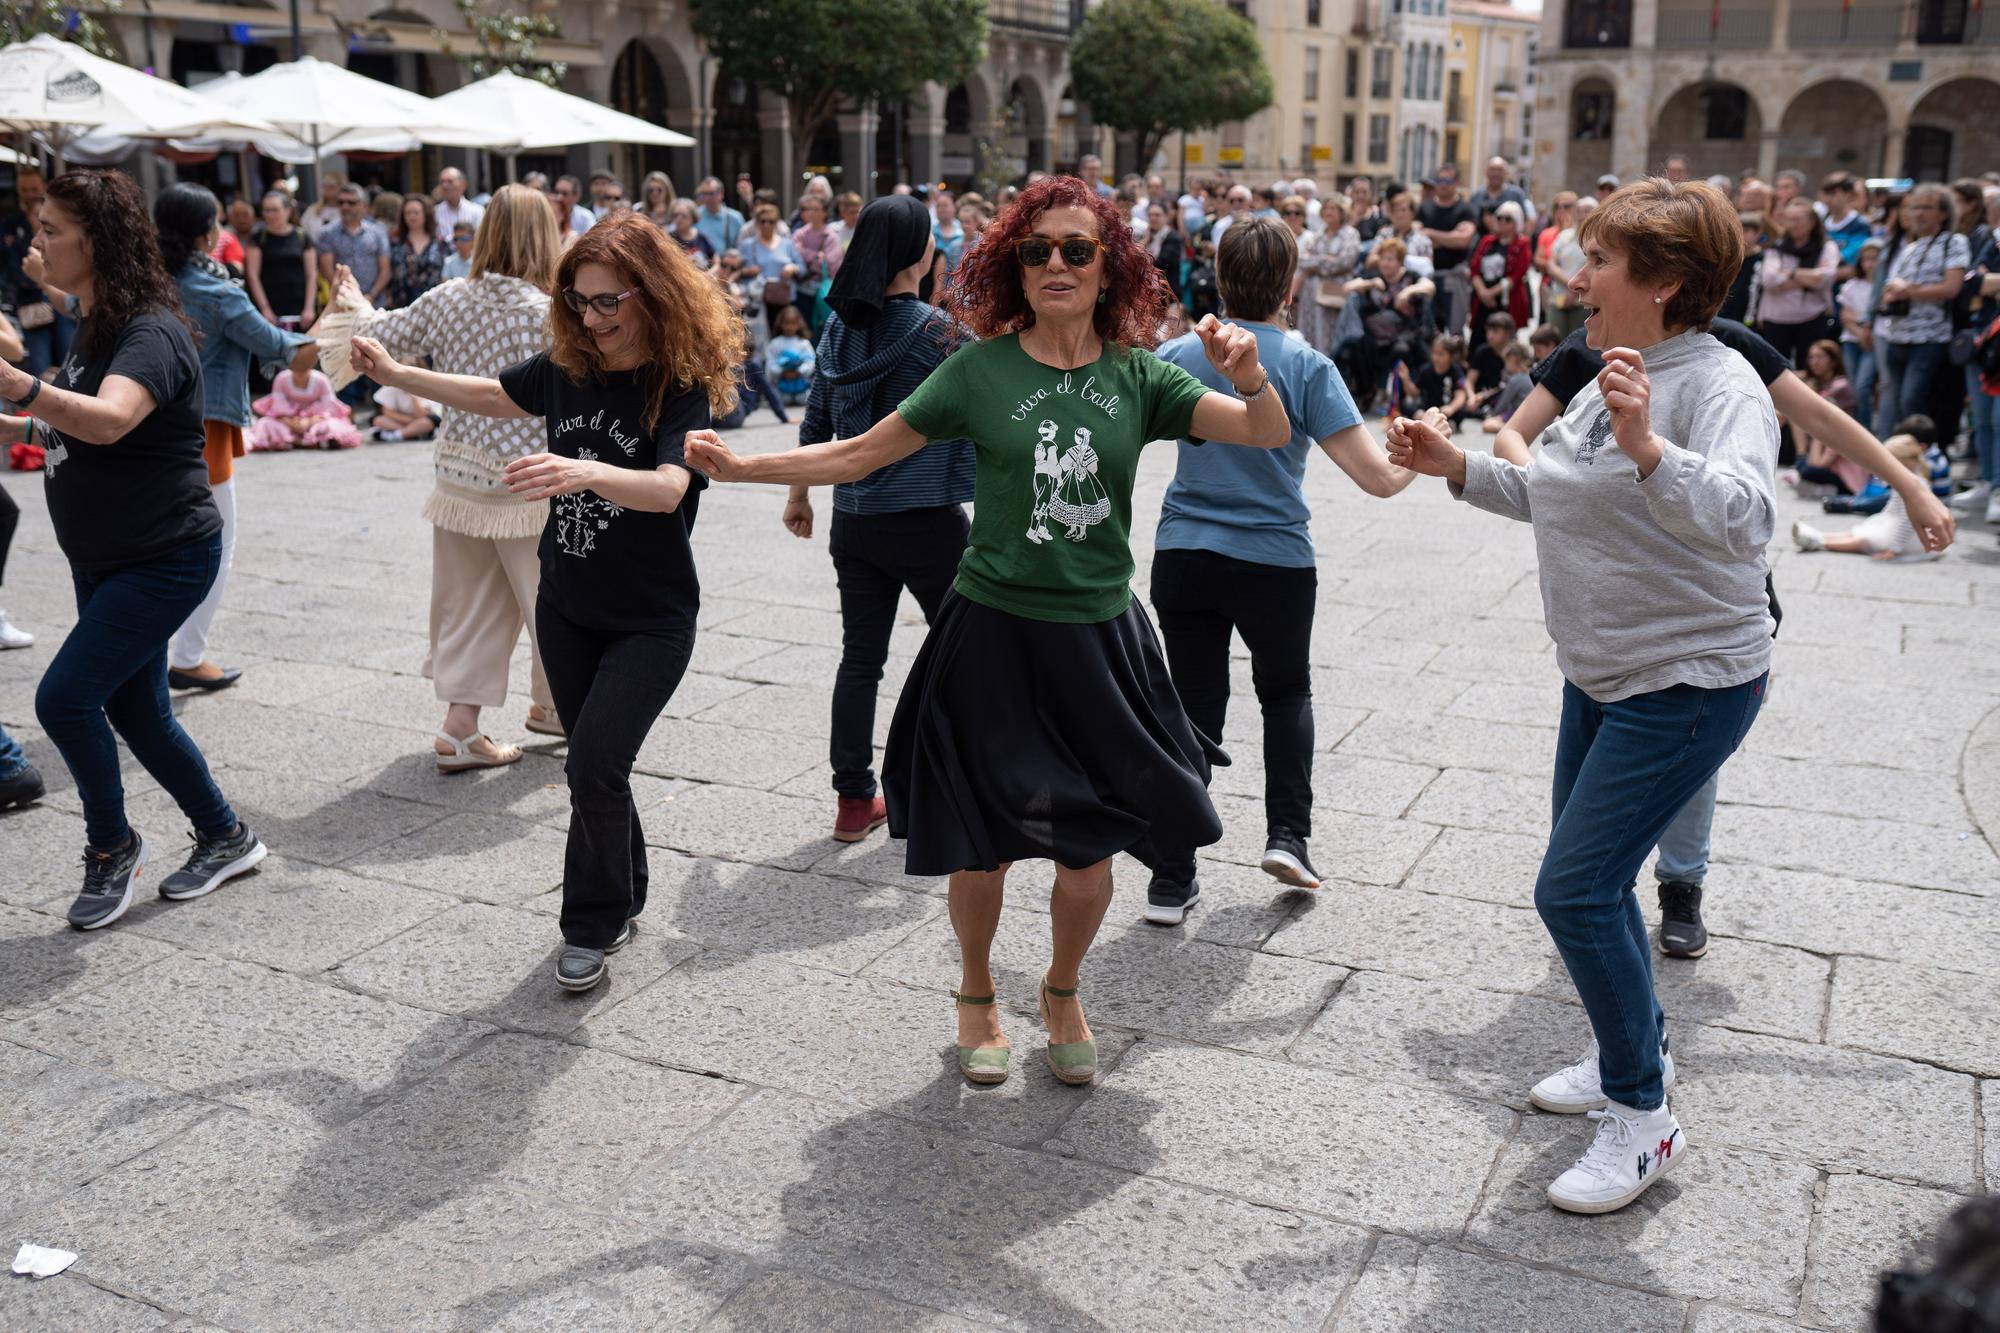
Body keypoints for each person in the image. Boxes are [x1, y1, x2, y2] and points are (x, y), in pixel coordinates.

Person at [683, 175, 1291, 1089]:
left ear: (1109, 266)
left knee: (1089, 855)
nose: (1055, 263)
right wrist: (745, 468)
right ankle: (975, 989)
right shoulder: (975, 366)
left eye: (1076, 249)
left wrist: (1249, 373)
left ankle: (1061, 986)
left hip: (1099, 641)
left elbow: (1262, 431)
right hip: (993, 636)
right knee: (984, 840)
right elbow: (861, 452)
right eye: (1037, 249)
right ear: (1014, 264)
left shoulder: (1138, 375)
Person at [1388, 177, 1776, 1215]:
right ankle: (1628, 1042)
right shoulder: (1616, 362)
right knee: (1592, 887)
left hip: (1687, 680)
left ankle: (1642, 1117)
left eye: (1598, 259)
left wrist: (1651, 449)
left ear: (1662, 283)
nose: (1576, 269)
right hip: (1602, 673)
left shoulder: (1716, 383)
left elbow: (1746, 519)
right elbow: (1554, 491)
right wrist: (1455, 466)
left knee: (1570, 887)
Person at [1490, 282, 1955, 969]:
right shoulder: (1590, 343)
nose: (1577, 284)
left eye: (1599, 261)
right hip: (1610, 607)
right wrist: (1569, 496)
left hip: (1697, 606)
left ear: (1660, 278)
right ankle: (1604, 919)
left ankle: (1682, 884)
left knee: (1684, 738)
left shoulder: (1724, 352)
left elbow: (1818, 418)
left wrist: (1911, 485)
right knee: (1595, 806)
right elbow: (1511, 433)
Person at [348, 210, 736, 992]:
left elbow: (667, 491)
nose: (591, 320)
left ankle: (588, 924)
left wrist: (581, 471)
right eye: (579, 303)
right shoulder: (568, 364)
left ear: (651, 295)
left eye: (607, 302)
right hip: (567, 603)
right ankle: (622, 895)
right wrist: (396, 375)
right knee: (602, 767)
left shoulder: (678, 385)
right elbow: (493, 396)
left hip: (652, 618)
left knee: (593, 761)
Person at [0, 170, 268, 930]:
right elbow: (73, 424)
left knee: (63, 698)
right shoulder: (99, 319)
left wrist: (21, 388)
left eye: (51, 228)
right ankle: (227, 834)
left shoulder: (150, 329)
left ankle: (112, 847)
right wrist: (17, 425)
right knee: (141, 712)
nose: (36, 240)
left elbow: (112, 420)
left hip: (164, 555)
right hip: (110, 552)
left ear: (98, 239)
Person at [1144, 216, 1415, 923]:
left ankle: (1172, 875)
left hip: (1186, 552)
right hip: (1274, 559)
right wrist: (1428, 449)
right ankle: (1289, 836)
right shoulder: (1305, 365)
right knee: (1285, 694)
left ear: (1219, 279)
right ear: (1291, 286)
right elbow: (1379, 481)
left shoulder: (1179, 353)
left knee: (1194, 704)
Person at [333, 184, 566, 764]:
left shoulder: (447, 297)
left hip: (458, 479)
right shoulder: (553, 315)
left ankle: (461, 728)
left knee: (468, 604)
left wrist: (356, 307)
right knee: (554, 606)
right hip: (529, 485)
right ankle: (559, 708)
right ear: (546, 238)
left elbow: (377, 339)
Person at [772, 195, 976, 841]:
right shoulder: (939, 333)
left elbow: (815, 425)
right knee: (963, 654)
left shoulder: (837, 331)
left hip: (854, 521)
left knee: (860, 660)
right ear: (920, 251)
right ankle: (946, 785)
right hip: (928, 521)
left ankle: (854, 802)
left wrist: (798, 494)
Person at [154, 182, 318, 693]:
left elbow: (75, 306)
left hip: (136, 418)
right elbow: (283, 348)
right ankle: (188, 654)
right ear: (209, 233)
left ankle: (150, 655)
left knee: (153, 546)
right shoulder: (218, 292)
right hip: (204, 427)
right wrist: (339, 322)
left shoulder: (141, 280)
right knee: (216, 543)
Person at [1873, 184, 1968, 440]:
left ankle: (1920, 455)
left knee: (1912, 400)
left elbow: (1951, 287)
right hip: (1896, 334)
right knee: (1892, 402)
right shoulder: (1910, 247)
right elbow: (1889, 286)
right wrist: (1893, 292)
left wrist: (1909, 291)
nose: (1919, 214)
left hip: (1929, 336)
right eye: (1915, 207)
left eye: (1927, 208)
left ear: (1943, 213)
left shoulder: (1955, 242)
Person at [1792, 427, 1940, 561]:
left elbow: (1907, 522)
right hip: (1895, 525)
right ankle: (1818, 535)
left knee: (1864, 540)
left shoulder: (1917, 485)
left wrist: (1894, 550)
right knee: (1859, 531)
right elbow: (1893, 507)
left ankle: (1819, 541)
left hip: (1911, 539)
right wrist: (1881, 520)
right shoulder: (1906, 480)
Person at [1335, 236, 1435, 408]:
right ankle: (1365, 393)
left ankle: (1399, 400)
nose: (1385, 263)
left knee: (1401, 350)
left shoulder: (1410, 277)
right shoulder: (1374, 277)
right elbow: (1346, 288)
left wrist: (1408, 291)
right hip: (1373, 336)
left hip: (1402, 335)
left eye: (1390, 259)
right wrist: (1369, 284)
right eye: (1382, 258)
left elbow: (1429, 287)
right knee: (1353, 348)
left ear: (1400, 261)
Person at [1757, 199, 1841, 368]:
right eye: (1789, 219)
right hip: (1777, 320)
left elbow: (1825, 277)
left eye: (1798, 220)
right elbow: (1769, 279)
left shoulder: (1826, 247)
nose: (1792, 225)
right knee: (1775, 369)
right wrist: (1807, 279)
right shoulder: (1776, 248)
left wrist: (1791, 273)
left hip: (1812, 318)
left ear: (1812, 221)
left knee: (1809, 368)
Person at [247, 361, 362, 451]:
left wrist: (308, 422)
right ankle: (304, 441)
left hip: (315, 420)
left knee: (331, 425)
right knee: (265, 424)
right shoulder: (282, 378)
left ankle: (298, 440)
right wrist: (291, 422)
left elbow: (328, 407)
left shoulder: (321, 380)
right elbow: (278, 407)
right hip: (288, 421)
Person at [245, 189, 316, 333]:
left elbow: (312, 274)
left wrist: (309, 307)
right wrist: (265, 308)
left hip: (300, 308)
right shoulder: (258, 237)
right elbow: (252, 275)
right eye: (266, 210)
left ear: (288, 211)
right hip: (270, 308)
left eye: (274, 210)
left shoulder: (302, 236)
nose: (270, 215)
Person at [1420, 165, 1478, 336]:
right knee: (1428, 331)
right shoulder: (1425, 208)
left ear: (1456, 182)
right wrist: (1449, 237)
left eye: (1447, 180)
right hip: (1428, 278)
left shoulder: (1465, 209)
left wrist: (1431, 234)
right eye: (1439, 180)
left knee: (1455, 333)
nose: (1443, 185)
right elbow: (1418, 236)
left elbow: (1463, 240)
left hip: (1453, 278)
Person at [319, 183, 390, 308]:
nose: (345, 207)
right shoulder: (327, 233)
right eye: (341, 202)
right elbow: (327, 270)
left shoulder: (378, 231)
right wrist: (347, 295)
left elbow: (385, 269)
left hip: (375, 303)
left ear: (364, 206)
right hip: (343, 303)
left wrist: (371, 296)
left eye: (351, 203)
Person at [739, 202, 804, 337]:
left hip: (784, 299)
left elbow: (802, 268)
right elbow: (739, 272)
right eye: (763, 221)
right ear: (757, 223)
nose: (767, 225)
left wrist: (792, 268)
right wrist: (748, 271)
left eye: (771, 221)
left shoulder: (787, 244)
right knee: (760, 340)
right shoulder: (748, 245)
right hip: (759, 301)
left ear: (776, 223)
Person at [1469, 201, 1533, 329]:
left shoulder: (1522, 244)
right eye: (1499, 217)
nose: (1502, 221)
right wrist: (1483, 293)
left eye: (1508, 218)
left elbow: (1517, 275)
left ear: (1517, 222)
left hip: (1507, 301)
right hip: (1482, 299)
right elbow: (1474, 269)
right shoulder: (1487, 241)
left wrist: (1491, 293)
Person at [1838, 240, 1882, 423]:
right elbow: (1845, 316)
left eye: (1874, 259)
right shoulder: (1852, 285)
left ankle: (1865, 427)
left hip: (1874, 342)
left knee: (1863, 386)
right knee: (1854, 387)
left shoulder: (1883, 287)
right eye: (1866, 260)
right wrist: (1860, 332)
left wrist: (1864, 328)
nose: (1870, 264)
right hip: (1852, 340)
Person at [389, 193, 450, 309]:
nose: (412, 217)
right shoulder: (395, 243)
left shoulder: (440, 244)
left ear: (425, 214)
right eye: (408, 213)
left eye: (416, 213)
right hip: (402, 307)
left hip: (435, 305)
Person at [1467, 156, 1532, 237]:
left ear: (1506, 172)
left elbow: (1527, 221)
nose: (1496, 173)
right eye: (1492, 169)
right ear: (1485, 172)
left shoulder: (1516, 195)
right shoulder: (1476, 197)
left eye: (1500, 170)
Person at [1382, 189, 1435, 276]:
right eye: (1395, 210)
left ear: (1412, 213)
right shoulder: (1383, 235)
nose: (1399, 214)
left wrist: (1399, 259)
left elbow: (1428, 270)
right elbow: (1370, 261)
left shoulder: (1423, 240)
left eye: (1403, 210)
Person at [1144, 201, 1185, 306]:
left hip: (1168, 296)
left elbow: (1161, 262)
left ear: (1166, 217)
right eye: (1150, 215)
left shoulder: (1173, 237)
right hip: (1150, 296)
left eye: (1157, 215)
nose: (1153, 218)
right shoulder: (1148, 236)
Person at [694, 177, 745, 255]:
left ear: (721, 193)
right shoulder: (695, 216)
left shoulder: (735, 218)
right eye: (704, 194)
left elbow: (743, 247)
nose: (707, 198)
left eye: (711, 193)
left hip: (727, 265)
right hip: (700, 265)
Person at [432, 166, 483, 240]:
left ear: (463, 184)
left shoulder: (477, 211)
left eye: (450, 181)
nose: (445, 186)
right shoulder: (435, 212)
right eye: (442, 182)